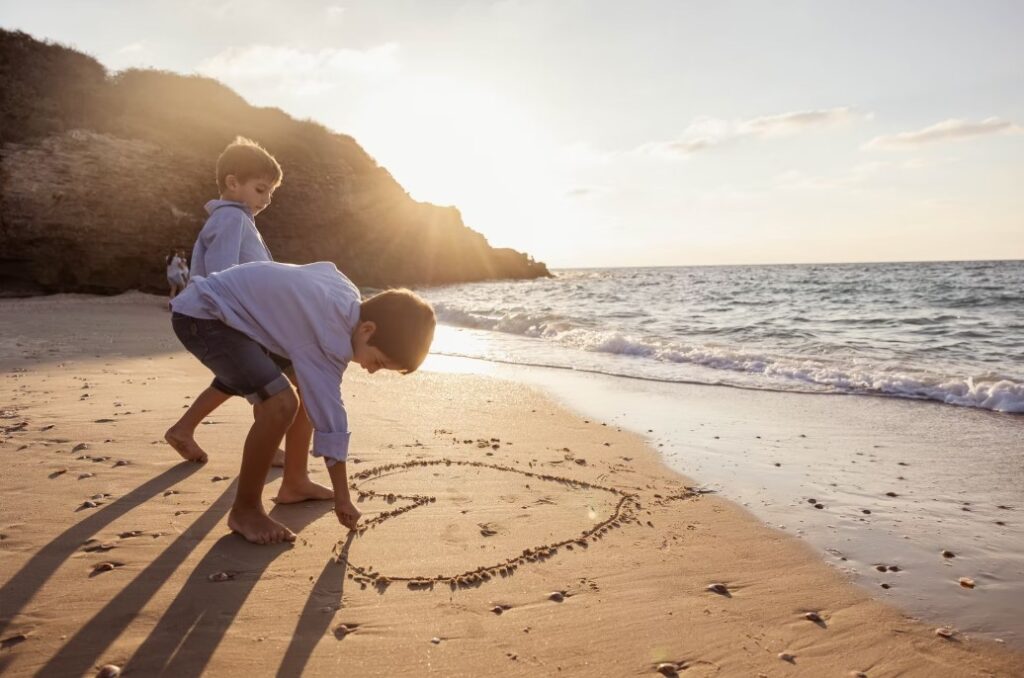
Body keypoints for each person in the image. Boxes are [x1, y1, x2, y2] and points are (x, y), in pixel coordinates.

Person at [169, 260, 436, 542]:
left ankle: (294, 482)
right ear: (367, 329)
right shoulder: (328, 336)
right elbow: (331, 418)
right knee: (280, 404)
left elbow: (324, 270)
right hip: (205, 316)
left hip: (234, 316)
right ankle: (245, 510)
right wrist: (343, 498)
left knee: (303, 384)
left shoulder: (346, 301)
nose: (370, 370)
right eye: (378, 362)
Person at [164, 136, 286, 466]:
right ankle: (266, 443)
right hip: (211, 321)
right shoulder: (231, 219)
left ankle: (183, 429)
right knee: (265, 379)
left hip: (218, 319)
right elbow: (223, 275)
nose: (268, 199)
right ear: (233, 183)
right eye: (261, 189)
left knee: (245, 374)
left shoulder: (239, 219)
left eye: (272, 192)